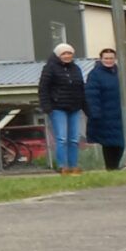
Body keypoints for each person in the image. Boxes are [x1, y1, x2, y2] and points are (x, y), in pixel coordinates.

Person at [37, 42, 89, 175]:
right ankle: (62, 165)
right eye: (64, 53)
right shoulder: (49, 68)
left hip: (75, 107)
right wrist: (47, 106)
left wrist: (85, 106)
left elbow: (81, 88)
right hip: (57, 107)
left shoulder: (76, 69)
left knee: (74, 138)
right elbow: (43, 88)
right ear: (58, 55)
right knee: (61, 138)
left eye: (69, 53)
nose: (67, 56)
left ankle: (73, 165)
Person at [86, 47, 126, 171]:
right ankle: (111, 167)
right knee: (108, 143)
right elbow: (92, 94)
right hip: (104, 114)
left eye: (111, 58)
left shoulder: (121, 73)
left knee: (121, 142)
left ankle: (116, 166)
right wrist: (95, 112)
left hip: (119, 113)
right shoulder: (95, 74)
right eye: (106, 58)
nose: (109, 60)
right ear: (101, 59)